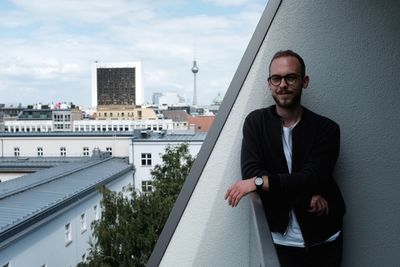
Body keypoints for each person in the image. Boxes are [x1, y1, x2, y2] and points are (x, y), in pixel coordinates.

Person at [225, 50, 346, 267]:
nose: (283, 84)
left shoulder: (327, 129)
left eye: (291, 77)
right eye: (276, 78)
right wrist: (305, 195)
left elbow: (314, 176)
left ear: (304, 81)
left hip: (325, 240)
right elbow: (251, 171)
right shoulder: (256, 122)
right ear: (269, 83)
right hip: (280, 243)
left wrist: (259, 183)